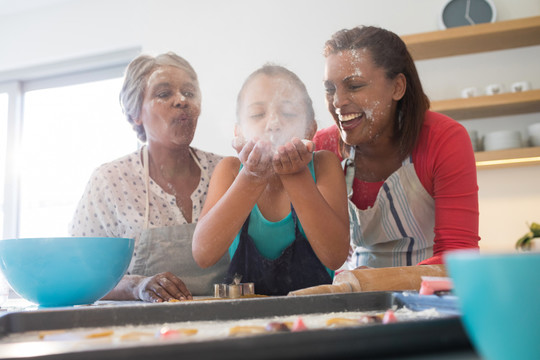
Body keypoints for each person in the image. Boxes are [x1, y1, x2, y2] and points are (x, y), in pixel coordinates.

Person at [314, 26, 480, 268]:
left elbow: (458, 255)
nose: (337, 101)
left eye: (355, 85)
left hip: (430, 295)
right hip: (354, 294)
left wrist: (376, 283)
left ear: (397, 87)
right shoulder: (323, 147)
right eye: (330, 89)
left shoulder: (444, 139)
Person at [69, 52, 229, 302]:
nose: (182, 100)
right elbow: (80, 272)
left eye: (189, 92)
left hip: (227, 327)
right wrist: (136, 286)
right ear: (136, 113)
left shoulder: (225, 171)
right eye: (164, 94)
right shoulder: (110, 181)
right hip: (139, 331)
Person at [192, 65, 350, 295]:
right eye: (257, 114)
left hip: (314, 319)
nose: (273, 124)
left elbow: (335, 256)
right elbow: (203, 255)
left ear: (310, 129)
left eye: (288, 113)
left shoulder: (324, 166)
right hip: (245, 322)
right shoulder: (231, 171)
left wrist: (295, 174)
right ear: (238, 133)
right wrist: (252, 177)